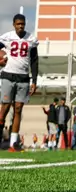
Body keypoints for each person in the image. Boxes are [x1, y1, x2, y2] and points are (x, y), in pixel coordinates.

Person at [0, 13, 39, 151]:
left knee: (18, 109)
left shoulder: (31, 39)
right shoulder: (6, 37)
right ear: (13, 24)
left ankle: (13, 143)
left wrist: (34, 80)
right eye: (18, 24)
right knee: (4, 109)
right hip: (8, 76)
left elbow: (34, 61)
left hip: (23, 77)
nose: (20, 26)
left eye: (22, 24)